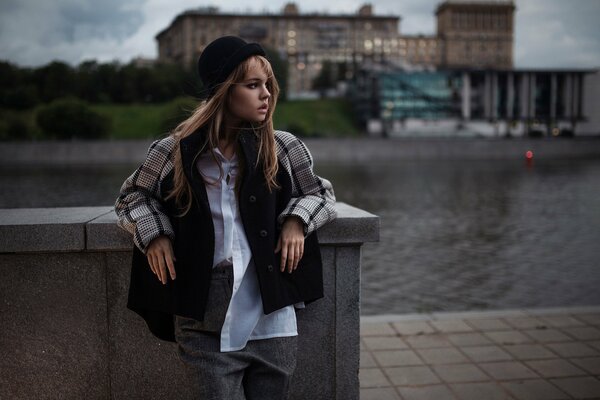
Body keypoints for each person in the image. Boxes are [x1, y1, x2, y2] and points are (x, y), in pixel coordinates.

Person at [114, 35, 337, 400]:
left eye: (268, 84)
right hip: (203, 320)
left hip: (273, 320)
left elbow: (319, 193)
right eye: (252, 85)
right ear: (222, 92)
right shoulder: (173, 150)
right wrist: (156, 234)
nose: (266, 94)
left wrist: (296, 221)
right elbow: (131, 197)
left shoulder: (282, 146)